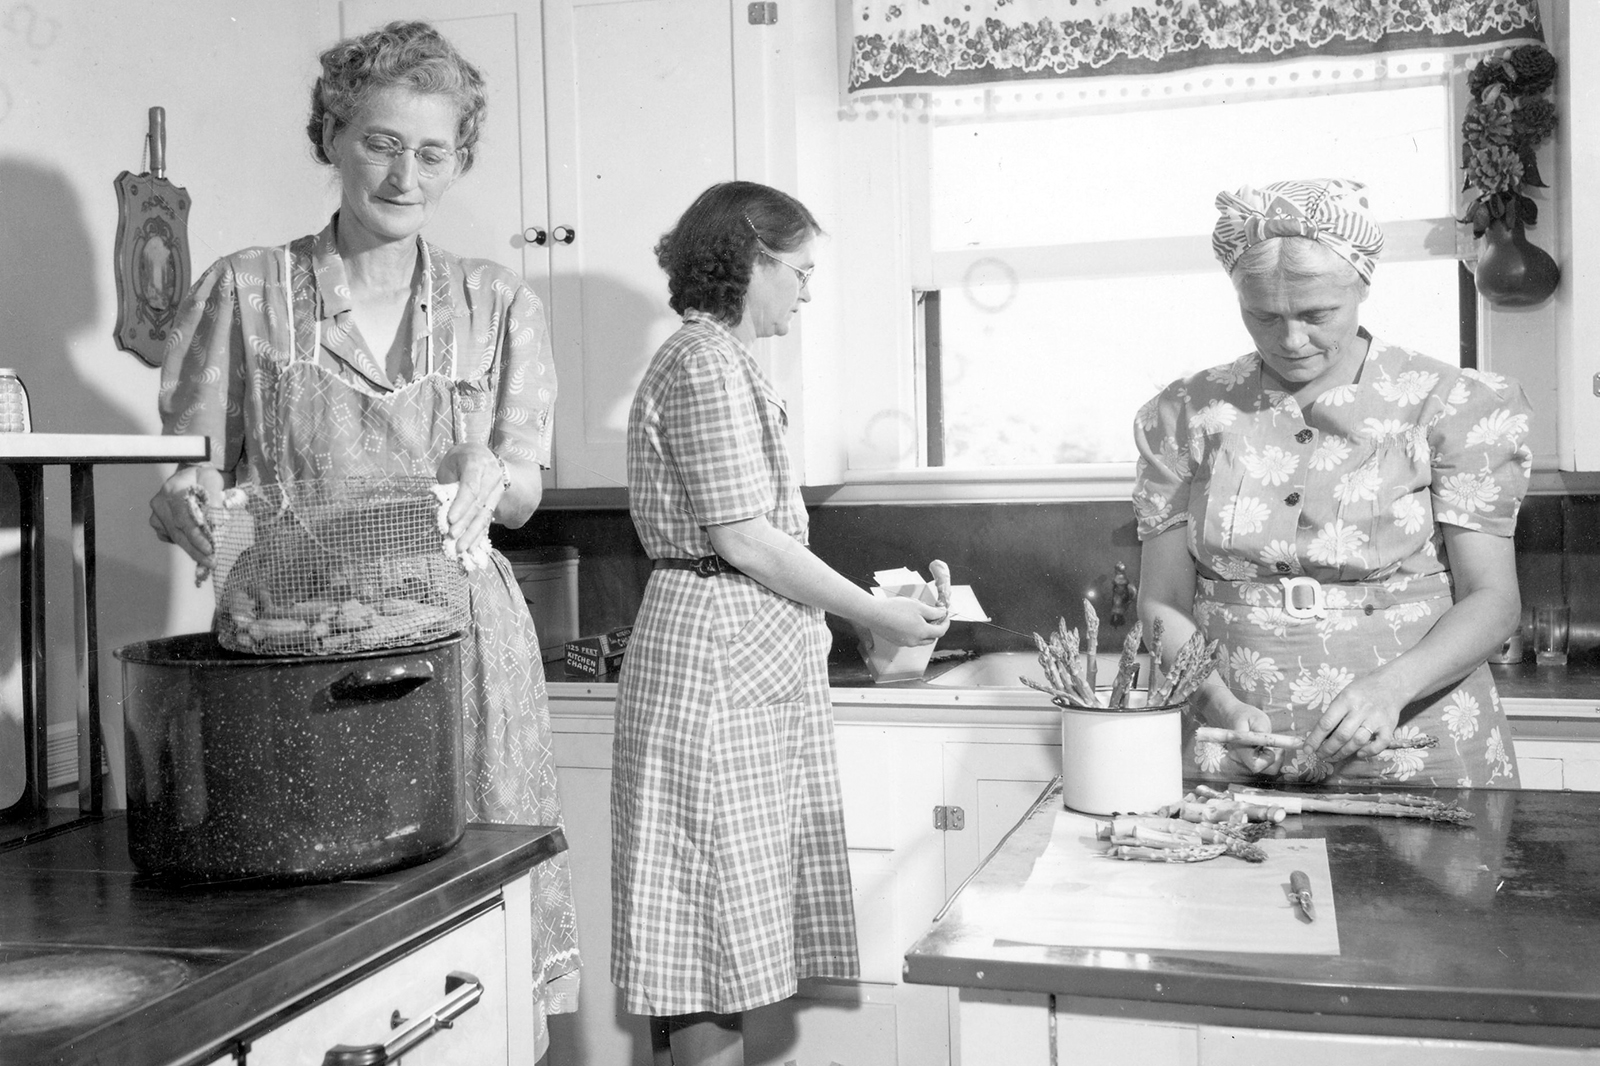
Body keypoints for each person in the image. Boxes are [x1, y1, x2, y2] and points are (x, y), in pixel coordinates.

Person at [146, 20, 579, 1054]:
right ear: (332, 135)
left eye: (433, 152)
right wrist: (186, 501)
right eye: (380, 141)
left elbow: (521, 484)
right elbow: (190, 466)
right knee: (320, 951)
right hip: (297, 647)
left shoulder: (496, 299)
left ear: (460, 160)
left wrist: (491, 470)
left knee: (476, 944)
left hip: (463, 650)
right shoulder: (244, 290)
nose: (405, 172)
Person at [612, 181, 950, 1066]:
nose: (806, 291)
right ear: (749, 259)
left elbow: (758, 547)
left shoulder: (728, 362)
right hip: (713, 664)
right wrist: (875, 611)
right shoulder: (702, 364)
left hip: (737, 657)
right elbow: (744, 538)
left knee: (724, 923)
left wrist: (870, 624)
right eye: (798, 271)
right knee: (707, 927)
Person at [1134, 178, 1531, 788]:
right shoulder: (1187, 412)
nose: (1291, 341)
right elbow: (1160, 601)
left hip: (1418, 740)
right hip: (1236, 746)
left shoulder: (1448, 402)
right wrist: (1218, 703)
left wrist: (1391, 689)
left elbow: (1494, 600)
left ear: (1362, 286)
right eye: (1263, 316)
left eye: (1318, 315)